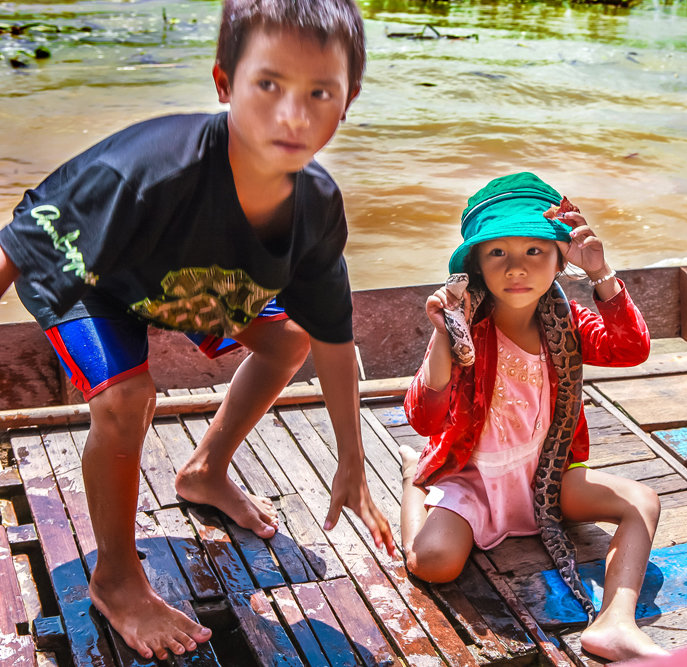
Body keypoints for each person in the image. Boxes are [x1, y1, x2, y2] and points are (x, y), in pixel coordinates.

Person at [0, 0, 394, 659]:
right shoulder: (153, 170)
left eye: (319, 91)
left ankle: (205, 468)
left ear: (347, 100)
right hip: (90, 269)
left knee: (289, 337)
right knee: (128, 399)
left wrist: (351, 455)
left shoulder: (316, 207)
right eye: (268, 84)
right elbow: (16, 245)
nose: (292, 114)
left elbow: (333, 334)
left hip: (188, 277)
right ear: (223, 84)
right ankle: (116, 577)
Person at [398, 172, 666, 661]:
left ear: (561, 259)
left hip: (553, 474)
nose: (516, 268)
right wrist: (443, 335)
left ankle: (616, 622)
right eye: (498, 252)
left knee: (643, 501)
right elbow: (422, 417)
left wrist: (601, 274)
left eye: (535, 251)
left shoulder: (570, 320)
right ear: (476, 264)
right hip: (474, 476)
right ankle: (414, 479)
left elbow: (631, 350)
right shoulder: (468, 327)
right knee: (433, 561)